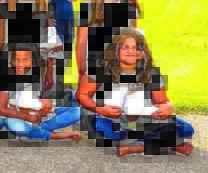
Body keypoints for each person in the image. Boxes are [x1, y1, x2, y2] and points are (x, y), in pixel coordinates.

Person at [76, 29, 194, 157]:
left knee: (186, 129)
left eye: (137, 48)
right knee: (102, 129)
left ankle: (140, 146)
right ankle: (168, 143)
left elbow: (162, 102)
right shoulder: (99, 69)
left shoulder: (151, 72)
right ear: (115, 50)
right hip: (106, 118)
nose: (131, 52)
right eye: (125, 47)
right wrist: (102, 109)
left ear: (143, 51)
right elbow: (81, 95)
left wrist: (168, 107)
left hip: (141, 121)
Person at [0, 0, 60, 91]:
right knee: (6, 99)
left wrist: (50, 71)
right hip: (11, 60)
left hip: (36, 62)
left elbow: (50, 41)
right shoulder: (4, 4)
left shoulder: (45, 5)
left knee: (31, 100)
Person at [0, 43, 82, 142]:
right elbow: (2, 109)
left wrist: (46, 100)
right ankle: (44, 133)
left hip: (36, 112)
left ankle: (37, 131)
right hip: (14, 117)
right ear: (10, 59)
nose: (20, 64)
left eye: (26, 60)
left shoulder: (33, 73)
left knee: (76, 111)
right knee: (19, 127)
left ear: (32, 61)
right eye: (16, 60)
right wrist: (30, 117)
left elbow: (39, 95)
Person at [76, 0, 141, 83]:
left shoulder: (130, 8)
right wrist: (82, 72)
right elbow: (81, 41)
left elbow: (133, 42)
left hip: (120, 70)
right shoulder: (88, 6)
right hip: (94, 69)